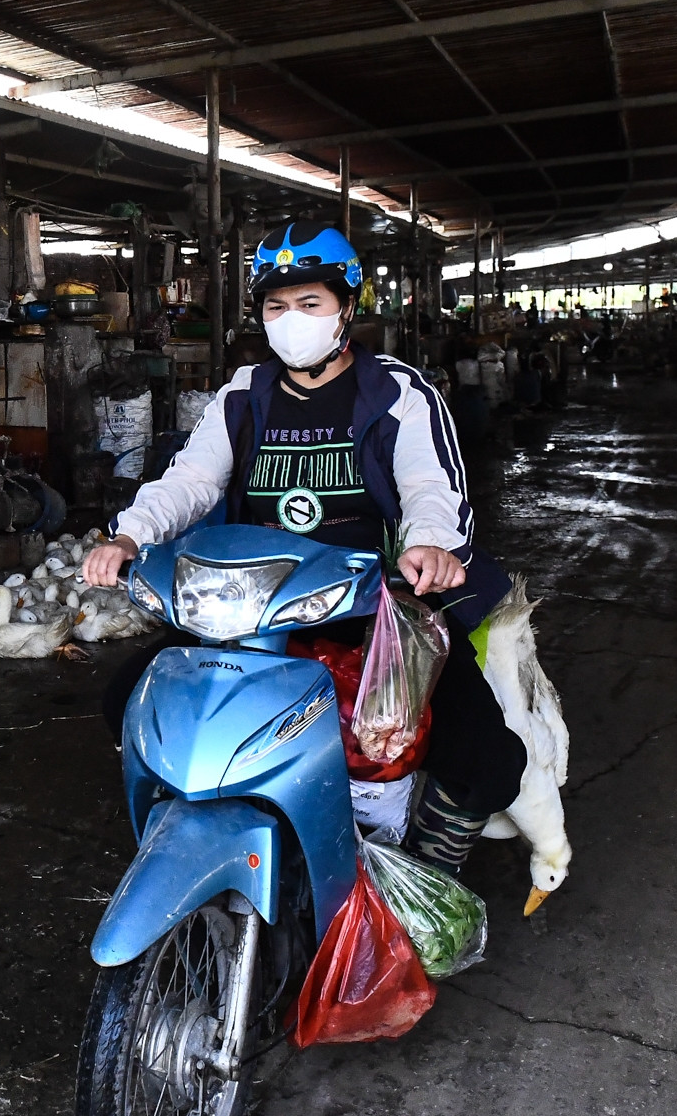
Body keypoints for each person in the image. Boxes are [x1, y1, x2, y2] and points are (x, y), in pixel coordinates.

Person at [84, 222, 527, 876]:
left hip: (378, 607)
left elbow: (430, 483)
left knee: (484, 757)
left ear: (347, 308)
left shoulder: (396, 393)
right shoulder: (244, 394)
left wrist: (430, 546)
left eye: (309, 304)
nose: (291, 320)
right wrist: (131, 534)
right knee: (129, 699)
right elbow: (193, 478)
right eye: (276, 306)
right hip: (254, 613)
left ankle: (426, 869)